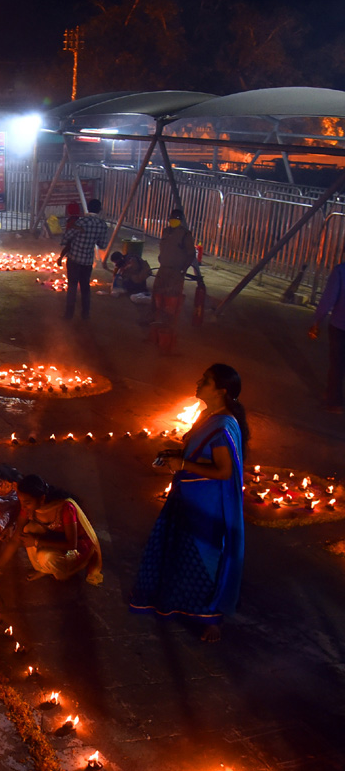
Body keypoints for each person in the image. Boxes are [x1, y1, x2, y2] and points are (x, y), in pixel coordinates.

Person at [130, 364, 248, 642]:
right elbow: (200, 454)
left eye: (205, 381)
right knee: (182, 552)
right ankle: (178, 602)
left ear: (221, 391)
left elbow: (224, 471)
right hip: (188, 496)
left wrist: (183, 463)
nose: (198, 382)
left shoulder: (223, 426)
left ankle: (211, 619)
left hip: (207, 505)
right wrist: (177, 455)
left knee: (206, 557)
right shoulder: (209, 416)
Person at [0, 475, 103, 588]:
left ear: (42, 498)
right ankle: (45, 569)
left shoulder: (64, 508)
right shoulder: (28, 508)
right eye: (21, 502)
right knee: (27, 530)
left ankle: (62, 573)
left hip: (77, 549)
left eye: (27, 503)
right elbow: (16, 538)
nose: (23, 507)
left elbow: (72, 544)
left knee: (45, 557)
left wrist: (36, 541)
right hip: (55, 540)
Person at [152, 209, 196, 352]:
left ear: (181, 220)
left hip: (176, 272)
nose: (174, 220)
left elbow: (191, 254)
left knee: (171, 302)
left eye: (177, 218)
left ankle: (169, 334)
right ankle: (156, 330)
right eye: (172, 218)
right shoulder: (166, 231)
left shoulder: (185, 235)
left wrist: (183, 270)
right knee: (157, 297)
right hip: (163, 269)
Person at [59, 199, 108, 320]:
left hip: (74, 259)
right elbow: (102, 244)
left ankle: (69, 314)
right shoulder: (102, 225)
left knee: (72, 286)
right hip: (87, 261)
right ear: (99, 210)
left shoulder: (82, 222)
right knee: (85, 287)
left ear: (88, 208)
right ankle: (85, 314)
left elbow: (66, 238)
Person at [309, 260, 345, 414]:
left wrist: (317, 321)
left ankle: (335, 402)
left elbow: (329, 298)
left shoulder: (340, 271)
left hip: (340, 325)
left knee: (337, 364)